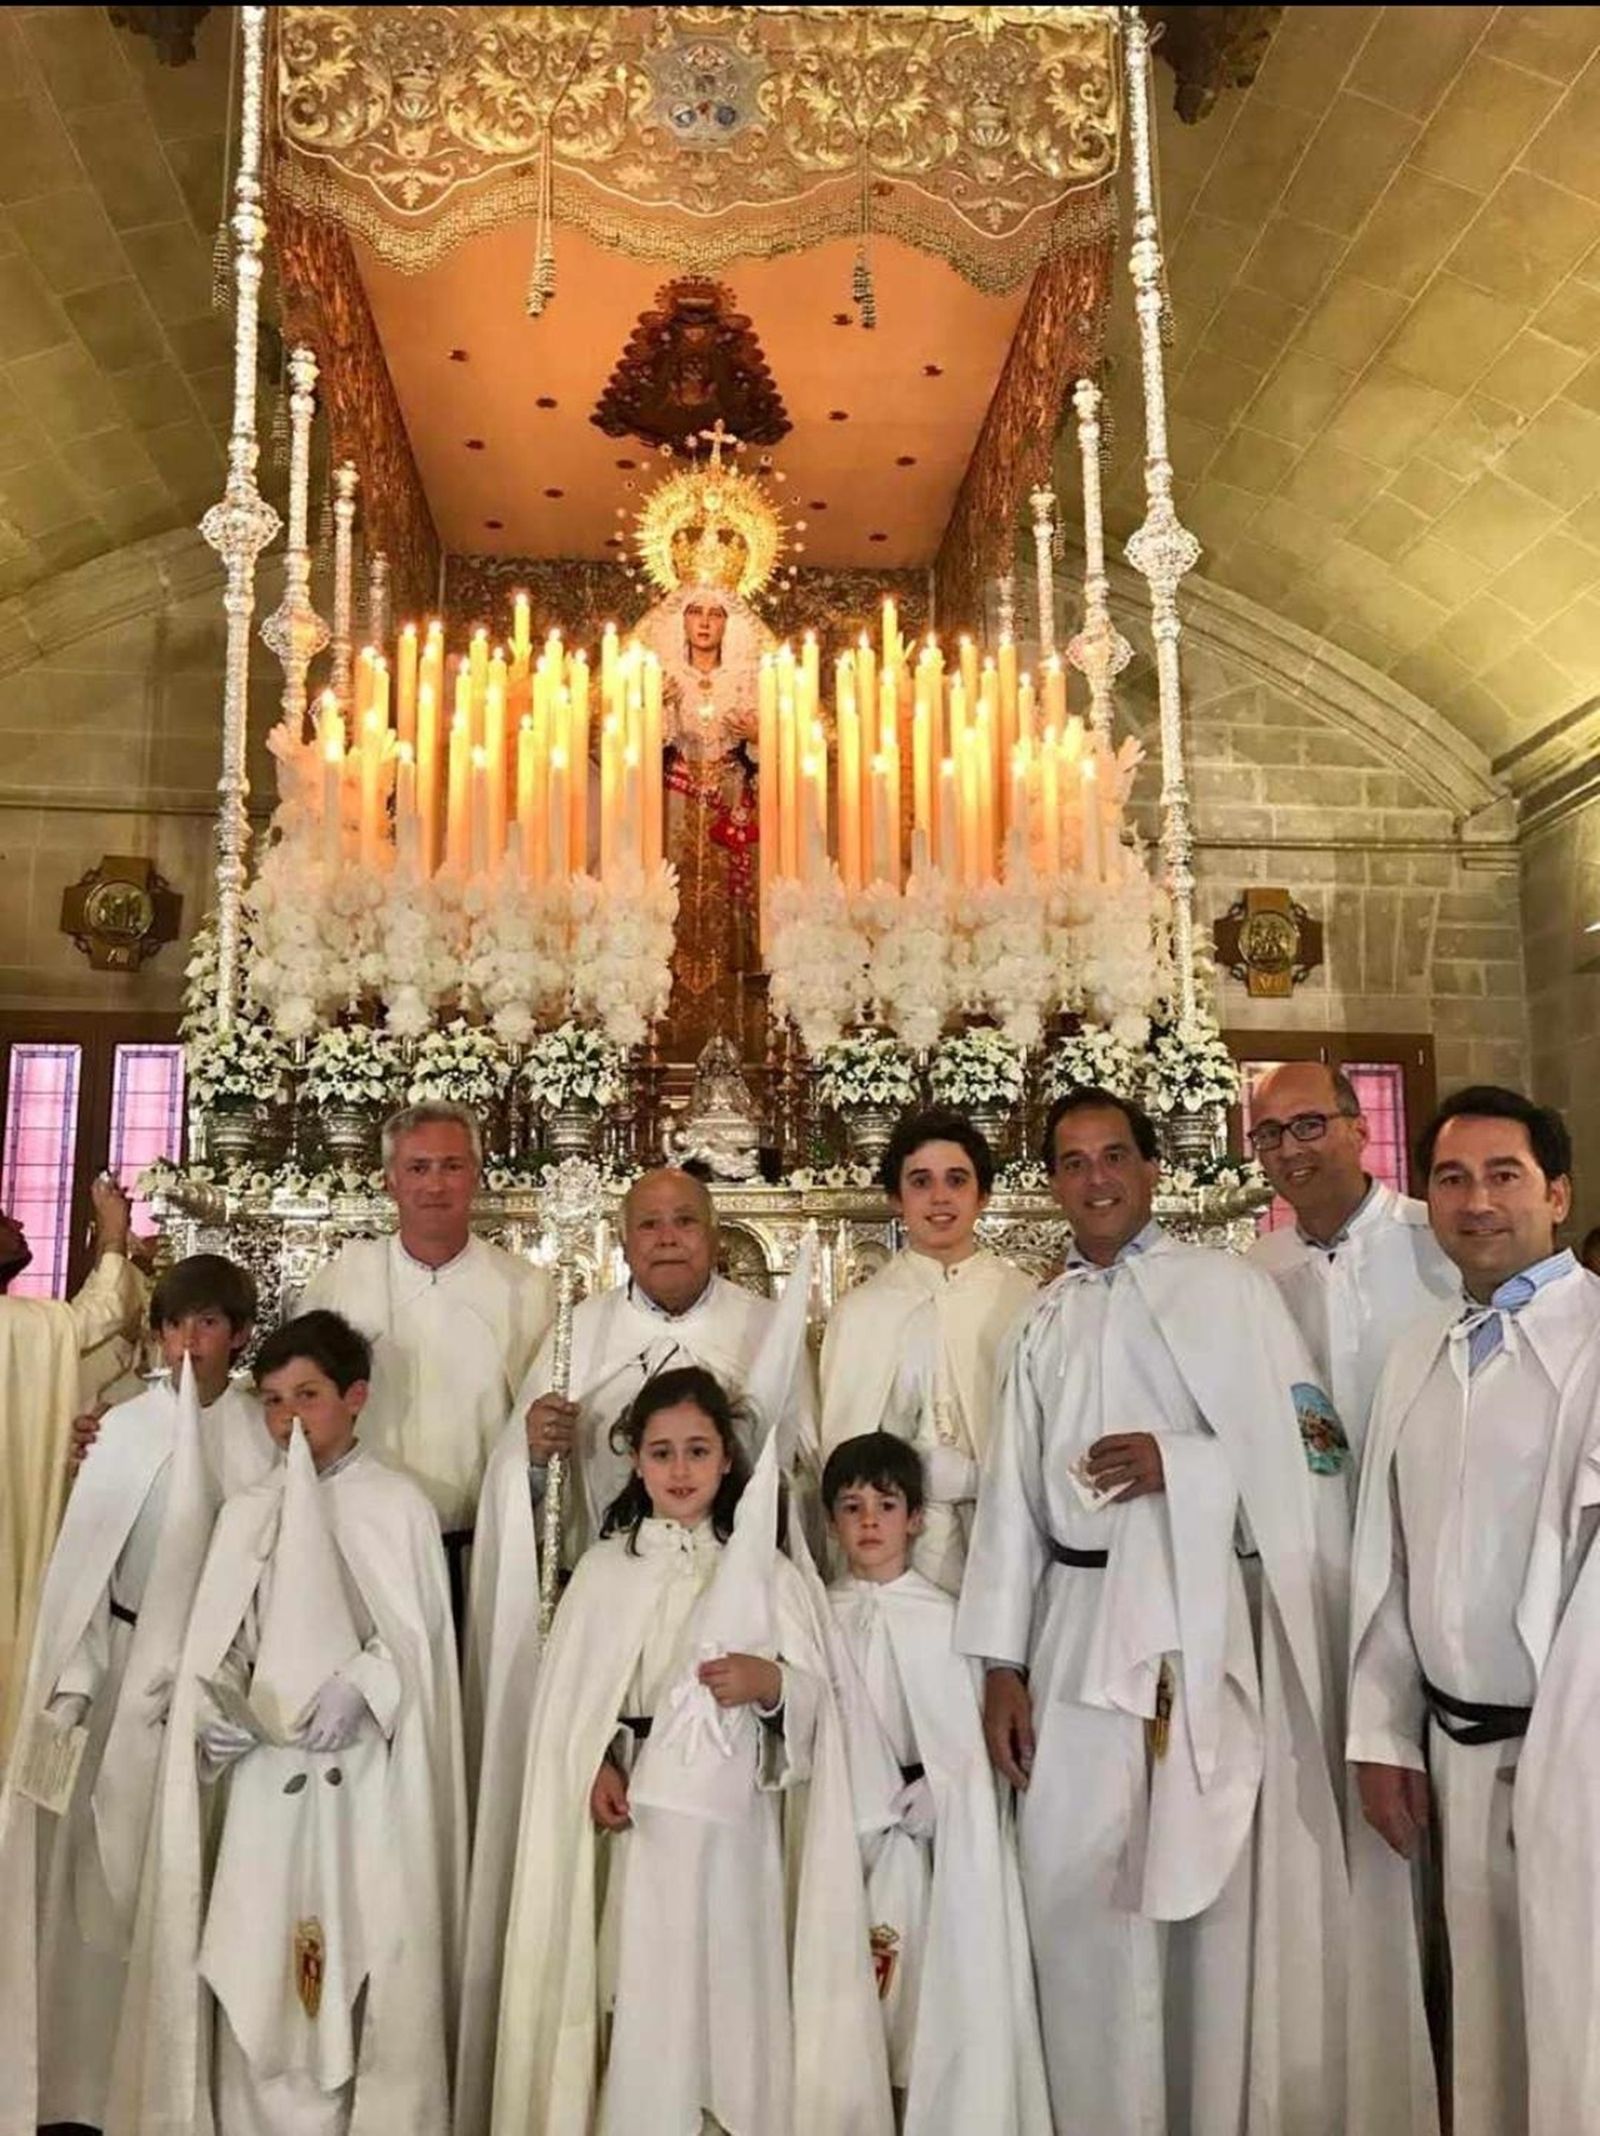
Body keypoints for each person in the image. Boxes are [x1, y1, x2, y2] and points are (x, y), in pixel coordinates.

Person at [957, 1086, 1350, 2134]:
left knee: (1192, 1888)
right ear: (1051, 1182)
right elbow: (1008, 1499)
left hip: (1187, 1613)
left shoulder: (1221, 1292)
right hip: (1068, 1618)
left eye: (1114, 1156)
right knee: (1072, 1879)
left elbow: (1311, 1462)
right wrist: (1000, 1660)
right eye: (1073, 1161)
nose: (1095, 1178)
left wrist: (1181, 1463)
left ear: (1149, 1169)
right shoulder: (1037, 1318)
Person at [460, 1182, 820, 2134]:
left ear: (717, 1235)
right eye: (649, 1224)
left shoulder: (765, 1326)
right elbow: (529, 1498)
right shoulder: (578, 1335)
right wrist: (528, 1454)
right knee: (626, 1963)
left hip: (730, 1774)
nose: (667, 1238)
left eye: (686, 1221)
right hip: (621, 1642)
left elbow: (806, 1477)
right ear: (624, 1239)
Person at [485, 1364, 889, 2136]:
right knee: (636, 1979)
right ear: (635, 1460)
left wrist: (769, 1682)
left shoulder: (768, 1574)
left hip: (735, 1831)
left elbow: (819, 1710)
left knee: (730, 1984)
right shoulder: (606, 1571)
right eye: (662, 1452)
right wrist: (594, 1761)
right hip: (634, 1818)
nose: (680, 1470)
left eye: (698, 1451)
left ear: (728, 1461)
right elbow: (569, 1708)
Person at [107, 1309, 466, 2135]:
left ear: (356, 1398)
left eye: (307, 1396)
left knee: (359, 1960)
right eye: (271, 1400)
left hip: (359, 1785)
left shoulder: (396, 1505)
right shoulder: (248, 1510)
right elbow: (219, 1642)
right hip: (265, 1781)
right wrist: (214, 1709)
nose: (287, 1419)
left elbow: (415, 1643)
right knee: (255, 1957)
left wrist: (365, 1684)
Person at [1349, 1087, 1600, 2136]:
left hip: (1574, 1757)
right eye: (1450, 1178)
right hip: (1455, 1748)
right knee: (1488, 2030)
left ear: (1556, 1192)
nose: (1476, 1201)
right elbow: (1388, 1555)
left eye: (1503, 1176)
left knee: (1577, 2023)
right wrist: (1379, 1728)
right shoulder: (1417, 1350)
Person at [0, 1253, 271, 2136]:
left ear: (237, 1334)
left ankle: (175, 2082)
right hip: (115, 1669)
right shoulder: (121, 1426)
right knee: (93, 1881)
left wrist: (233, 1686)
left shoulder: (260, 1436)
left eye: (210, 1326)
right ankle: (81, 2084)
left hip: (205, 1691)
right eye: (176, 1324)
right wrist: (74, 1684)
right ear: (157, 1332)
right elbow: (84, 1563)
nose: (191, 1343)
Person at [821, 1430, 1050, 2135]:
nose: (868, 1523)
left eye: (885, 1506)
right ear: (829, 1518)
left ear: (916, 1518)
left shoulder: (948, 1622)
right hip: (847, 1837)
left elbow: (967, 1743)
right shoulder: (816, 1616)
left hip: (930, 1849)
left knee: (926, 2006)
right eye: (852, 1506)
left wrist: (943, 1789)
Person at [295, 1100, 554, 1611]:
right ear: (390, 1180)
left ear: (476, 1176)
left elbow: (542, 1427)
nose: (435, 1185)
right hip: (361, 1542)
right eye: (418, 1168)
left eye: (452, 1166)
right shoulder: (342, 1280)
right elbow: (297, 1403)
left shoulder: (526, 1290)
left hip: (482, 1545)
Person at [821, 1110, 1035, 1594]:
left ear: (982, 1195)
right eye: (921, 1182)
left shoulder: (1023, 1301)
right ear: (897, 1197)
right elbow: (838, 1453)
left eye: (956, 1181)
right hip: (892, 1555)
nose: (939, 1198)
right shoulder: (860, 1312)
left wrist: (978, 1479)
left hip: (1000, 1539)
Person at [1247, 1060, 1456, 1463]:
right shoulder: (1260, 1267)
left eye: (1308, 1125)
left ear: (1360, 1131)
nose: (1289, 1149)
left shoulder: (1438, 1240)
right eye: (1269, 1134)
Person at [1, 1175, 142, 1755]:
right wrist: (113, 1236)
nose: (17, 1223)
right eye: (2, 1219)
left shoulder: (20, 1330)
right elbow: (97, 1317)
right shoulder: (14, 1329)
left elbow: (87, 1346)